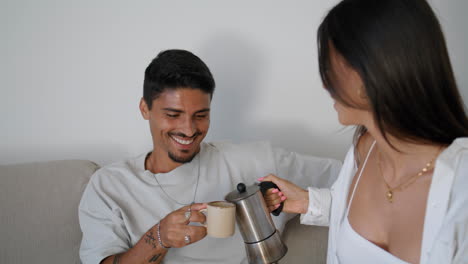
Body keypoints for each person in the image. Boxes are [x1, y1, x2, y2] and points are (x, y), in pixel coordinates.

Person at [78, 49, 342, 264]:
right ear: (144, 108)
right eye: (173, 115)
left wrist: (305, 202)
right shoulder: (110, 185)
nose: (189, 129)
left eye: (201, 115)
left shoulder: (256, 162)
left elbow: (357, 181)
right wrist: (159, 238)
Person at [261, 0, 468, 263]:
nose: (326, 85)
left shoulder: (461, 187)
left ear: (374, 68)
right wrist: (307, 202)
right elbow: (348, 217)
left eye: (330, 68)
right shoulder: (364, 148)